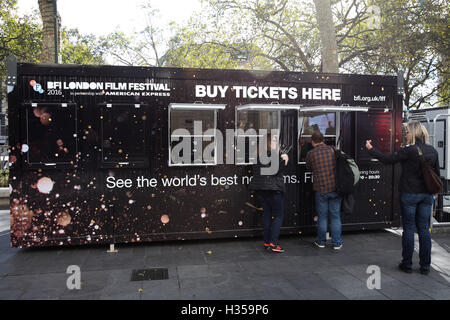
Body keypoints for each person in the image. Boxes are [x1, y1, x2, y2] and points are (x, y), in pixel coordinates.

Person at [366, 121, 439, 275]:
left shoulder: (409, 150)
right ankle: (425, 266)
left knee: (409, 228)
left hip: (409, 194)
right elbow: (436, 174)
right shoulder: (433, 151)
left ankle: (407, 264)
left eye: (407, 132)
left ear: (413, 133)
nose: (406, 134)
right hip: (427, 195)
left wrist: (371, 149)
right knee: (424, 229)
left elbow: (387, 159)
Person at [249, 133, 289, 253]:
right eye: (274, 141)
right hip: (274, 189)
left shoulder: (257, 156)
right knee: (278, 215)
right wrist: (285, 159)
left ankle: (267, 241)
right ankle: (273, 243)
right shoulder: (275, 155)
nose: (276, 143)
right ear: (269, 142)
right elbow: (277, 170)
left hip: (260, 190)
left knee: (266, 214)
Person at [306, 131, 343, 250]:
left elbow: (309, 168)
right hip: (335, 188)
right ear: (323, 139)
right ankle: (337, 243)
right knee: (335, 216)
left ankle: (321, 242)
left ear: (312, 142)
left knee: (322, 217)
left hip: (320, 189)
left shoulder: (311, 153)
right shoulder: (332, 149)